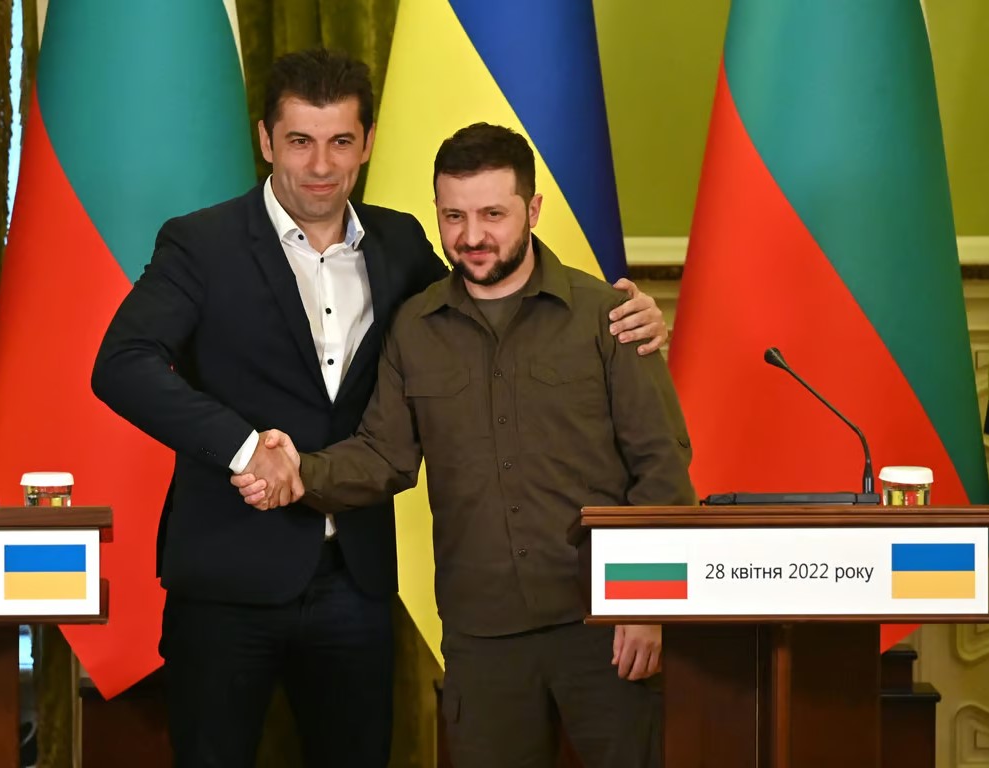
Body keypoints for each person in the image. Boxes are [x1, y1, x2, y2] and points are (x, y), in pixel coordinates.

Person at [92, 48, 669, 768]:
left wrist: (630, 315)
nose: (320, 165)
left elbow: (493, 291)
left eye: (340, 141)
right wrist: (246, 449)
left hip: (356, 583)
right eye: (299, 141)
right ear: (266, 140)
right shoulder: (200, 244)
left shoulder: (403, 245)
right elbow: (122, 364)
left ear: (366, 143)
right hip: (227, 580)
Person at [236, 123, 696, 768]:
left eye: (492, 215)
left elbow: (662, 466)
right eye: (454, 216)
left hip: (602, 625)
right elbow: (383, 455)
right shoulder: (414, 327)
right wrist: (298, 471)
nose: (472, 236)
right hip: (482, 638)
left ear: (533, 209)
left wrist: (646, 604)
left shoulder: (609, 317)